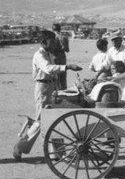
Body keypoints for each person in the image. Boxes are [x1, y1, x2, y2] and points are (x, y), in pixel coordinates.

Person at [13, 30, 82, 161]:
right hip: (43, 88)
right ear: (44, 42)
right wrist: (67, 67)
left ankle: (57, 152)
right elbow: (48, 69)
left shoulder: (48, 54)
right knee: (41, 120)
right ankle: (20, 146)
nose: (55, 44)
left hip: (51, 86)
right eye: (52, 41)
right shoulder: (39, 55)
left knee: (54, 118)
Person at [52, 23, 70, 89]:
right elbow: (67, 50)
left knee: (55, 78)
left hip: (54, 58)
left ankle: (57, 95)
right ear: (60, 29)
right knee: (63, 78)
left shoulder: (52, 38)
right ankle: (64, 94)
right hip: (62, 58)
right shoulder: (64, 37)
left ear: (52, 29)